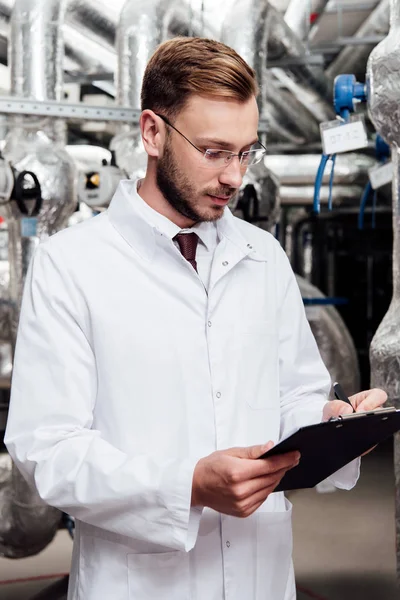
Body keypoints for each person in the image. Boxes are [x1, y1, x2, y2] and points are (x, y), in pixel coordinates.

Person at [5, 37, 386, 600]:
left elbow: (292, 396)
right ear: (152, 132)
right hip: (139, 583)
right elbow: (49, 450)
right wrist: (186, 486)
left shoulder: (263, 256)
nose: (235, 176)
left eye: (246, 151)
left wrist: (331, 422)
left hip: (261, 575)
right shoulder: (72, 266)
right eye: (214, 151)